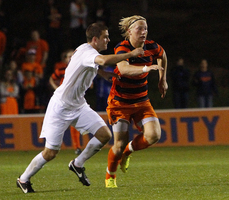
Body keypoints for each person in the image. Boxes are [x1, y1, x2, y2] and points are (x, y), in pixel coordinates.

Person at [16, 22, 144, 193]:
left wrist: (102, 73)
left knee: (104, 134)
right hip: (60, 107)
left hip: (79, 105)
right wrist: (131, 53)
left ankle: (77, 163)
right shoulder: (89, 52)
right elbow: (104, 60)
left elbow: (90, 64)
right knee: (50, 152)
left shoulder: (85, 50)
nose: (108, 39)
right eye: (105, 37)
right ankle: (23, 179)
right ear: (95, 39)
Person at [105, 15, 168, 188]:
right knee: (118, 144)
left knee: (154, 135)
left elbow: (163, 55)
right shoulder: (122, 48)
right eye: (139, 28)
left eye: (145, 28)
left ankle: (128, 152)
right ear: (129, 31)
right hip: (120, 102)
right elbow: (124, 69)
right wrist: (147, 68)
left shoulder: (151, 46)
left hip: (141, 101)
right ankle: (110, 175)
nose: (143, 31)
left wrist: (162, 79)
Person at [49, 49, 82, 155]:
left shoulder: (80, 69)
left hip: (74, 99)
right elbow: (52, 79)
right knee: (57, 122)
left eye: (72, 56)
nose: (70, 58)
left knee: (74, 123)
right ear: (65, 59)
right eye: (68, 56)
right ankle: (51, 146)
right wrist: (57, 89)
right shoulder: (61, 69)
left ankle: (77, 147)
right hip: (62, 100)